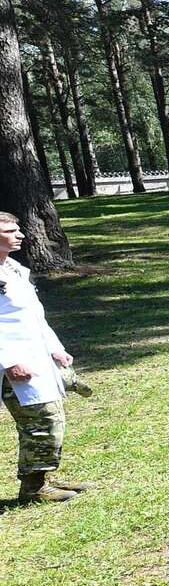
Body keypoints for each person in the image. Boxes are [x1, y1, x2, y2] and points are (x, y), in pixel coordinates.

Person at [0, 214, 82, 503]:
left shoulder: (14, 269)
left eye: (18, 228)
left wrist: (54, 347)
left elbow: (34, 316)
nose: (20, 234)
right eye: (10, 231)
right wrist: (7, 362)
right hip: (14, 365)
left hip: (35, 357)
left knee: (50, 418)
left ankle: (43, 476)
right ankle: (33, 487)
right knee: (42, 421)